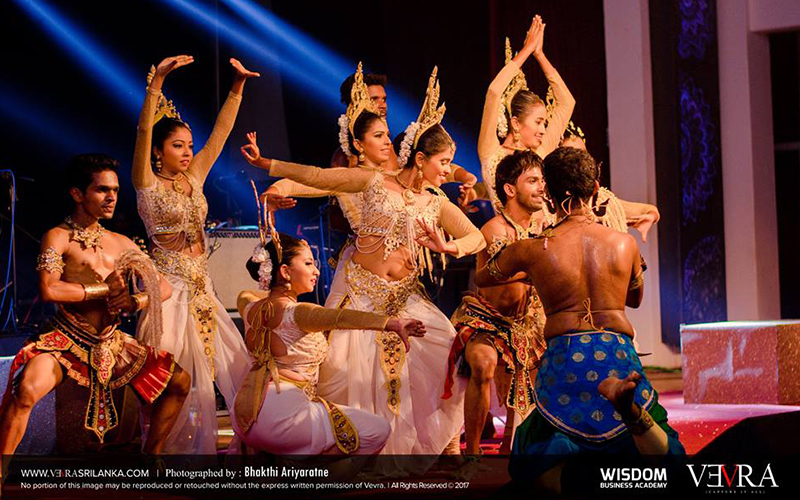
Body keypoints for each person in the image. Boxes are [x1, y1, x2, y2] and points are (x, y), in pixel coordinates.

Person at [240, 67, 486, 459]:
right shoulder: (369, 180)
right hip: (362, 288)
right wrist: (269, 166)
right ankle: (356, 443)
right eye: (443, 162)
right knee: (349, 373)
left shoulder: (436, 201)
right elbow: (317, 178)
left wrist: (449, 246)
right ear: (420, 158)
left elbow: (477, 237)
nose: (447, 170)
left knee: (447, 352)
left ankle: (443, 440)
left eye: (450, 164)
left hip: (405, 293)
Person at [474, 147, 684, 495]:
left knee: (540, 452)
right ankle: (633, 415)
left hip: (566, 356)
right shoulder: (624, 243)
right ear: (596, 188)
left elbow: (484, 276)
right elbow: (634, 299)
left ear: (550, 196)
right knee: (657, 451)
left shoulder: (534, 248)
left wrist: (534, 273)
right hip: (616, 352)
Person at [0, 154, 190, 461]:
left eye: (115, 190)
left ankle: (151, 457)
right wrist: (106, 290)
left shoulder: (123, 243)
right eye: (102, 190)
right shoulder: (58, 237)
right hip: (66, 341)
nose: (111, 197)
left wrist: (134, 301)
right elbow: (49, 289)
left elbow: (163, 287)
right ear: (78, 194)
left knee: (180, 383)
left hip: (112, 343)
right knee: (26, 392)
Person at [132, 55, 258, 453]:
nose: (188, 152)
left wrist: (237, 87)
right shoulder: (146, 183)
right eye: (177, 146)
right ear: (157, 151)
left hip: (202, 290)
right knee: (169, 376)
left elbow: (219, 135)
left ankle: (252, 444)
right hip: (168, 293)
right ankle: (160, 456)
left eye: (189, 145)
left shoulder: (195, 176)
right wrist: (157, 84)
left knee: (239, 368)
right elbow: (143, 130)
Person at [232, 232, 425, 455]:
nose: (316, 271)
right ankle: (305, 473)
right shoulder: (298, 313)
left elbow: (245, 294)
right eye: (308, 263)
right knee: (378, 430)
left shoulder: (249, 307)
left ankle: (285, 463)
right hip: (284, 419)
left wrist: (273, 288)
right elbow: (340, 318)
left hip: (245, 414)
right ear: (285, 271)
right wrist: (391, 323)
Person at [445, 150, 547, 455]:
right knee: (482, 363)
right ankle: (473, 452)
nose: (541, 187)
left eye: (542, 180)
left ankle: (512, 444)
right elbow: (488, 277)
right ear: (510, 189)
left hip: (531, 322)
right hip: (490, 322)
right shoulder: (493, 230)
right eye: (532, 181)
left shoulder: (544, 227)